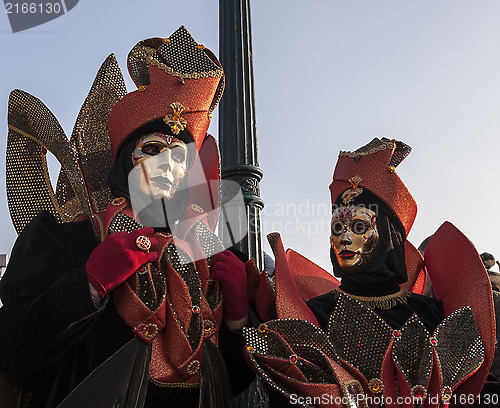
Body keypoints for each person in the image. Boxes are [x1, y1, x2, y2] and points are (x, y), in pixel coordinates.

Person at [0, 27, 254, 408]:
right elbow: (12, 353)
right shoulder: (64, 238)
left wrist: (236, 322)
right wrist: (87, 285)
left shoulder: (200, 257)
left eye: (180, 156)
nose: (168, 164)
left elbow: (229, 385)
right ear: (124, 162)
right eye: (153, 149)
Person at [244, 138, 498, 407]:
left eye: (359, 227)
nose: (344, 239)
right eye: (338, 228)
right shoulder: (312, 316)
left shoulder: (433, 314)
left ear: (390, 238)